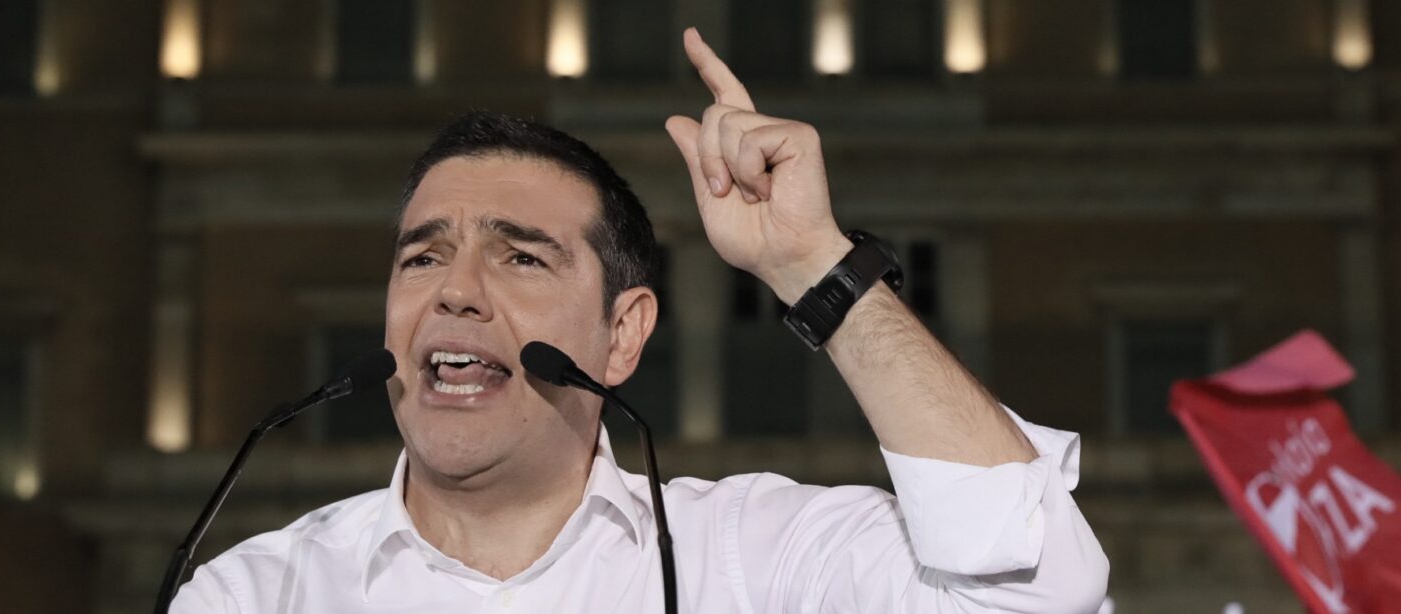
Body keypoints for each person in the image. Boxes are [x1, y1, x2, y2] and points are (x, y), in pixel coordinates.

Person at [169, 29, 1109, 613]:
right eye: (422, 256)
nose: (455, 292)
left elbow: (1040, 591)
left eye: (521, 256)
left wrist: (813, 266)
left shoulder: (755, 560)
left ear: (622, 335)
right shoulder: (254, 595)